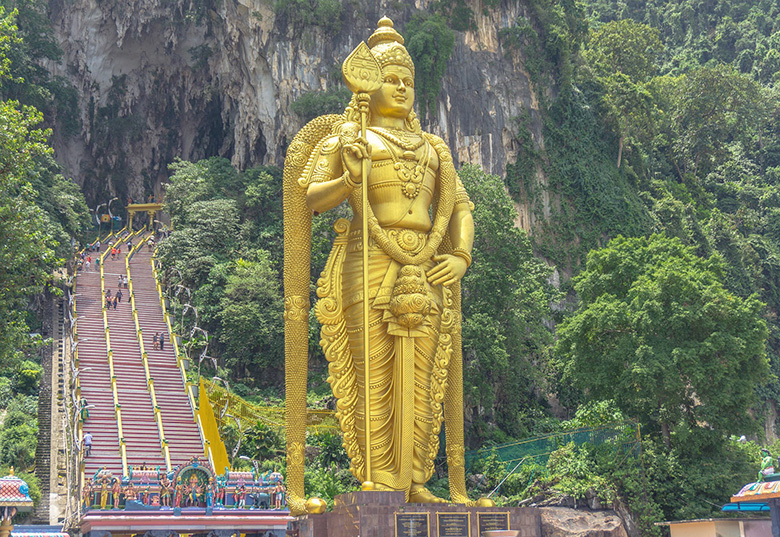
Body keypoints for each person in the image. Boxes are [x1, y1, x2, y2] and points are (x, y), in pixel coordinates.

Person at [283, 17, 475, 508]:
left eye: (409, 81)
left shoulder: (435, 148)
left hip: (428, 265)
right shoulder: (352, 138)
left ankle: (414, 479)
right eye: (392, 78)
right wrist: (349, 179)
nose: (403, 87)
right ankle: (379, 478)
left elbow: (460, 207)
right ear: (370, 83)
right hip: (367, 259)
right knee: (374, 371)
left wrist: (461, 255)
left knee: (426, 373)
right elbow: (310, 198)